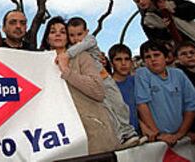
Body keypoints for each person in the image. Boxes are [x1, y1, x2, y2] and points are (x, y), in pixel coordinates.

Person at [41, 16, 119, 154]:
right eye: (53, 31)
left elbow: (98, 91)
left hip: (95, 138)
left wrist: (67, 71)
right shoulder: (39, 65)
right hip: (58, 141)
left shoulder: (82, 57)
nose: (58, 34)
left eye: (62, 32)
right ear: (47, 38)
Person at [65, 17, 141, 148]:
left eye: (79, 34)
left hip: (105, 79)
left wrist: (66, 55)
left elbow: (80, 47)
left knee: (119, 104)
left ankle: (129, 132)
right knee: (108, 110)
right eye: (71, 35)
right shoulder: (72, 49)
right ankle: (121, 136)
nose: (76, 38)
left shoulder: (89, 40)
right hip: (94, 84)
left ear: (86, 32)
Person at [135, 40, 195, 146]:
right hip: (157, 140)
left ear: (166, 57)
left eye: (156, 55)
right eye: (148, 57)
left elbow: (192, 105)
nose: (153, 59)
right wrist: (158, 134)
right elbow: (142, 105)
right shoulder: (142, 74)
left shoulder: (178, 74)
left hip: (181, 137)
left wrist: (181, 133)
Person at [132, 0, 195, 65]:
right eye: (137, 1)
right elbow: (156, 41)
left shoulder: (168, 1)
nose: (141, 2)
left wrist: (173, 9)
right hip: (182, 50)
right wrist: (165, 30)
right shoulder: (146, 21)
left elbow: (192, 10)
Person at [175, 41, 195, 142]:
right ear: (177, 59)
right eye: (184, 54)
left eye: (192, 52)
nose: (189, 56)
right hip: (194, 125)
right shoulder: (176, 78)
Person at [109, 44, 140, 135]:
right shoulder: (107, 86)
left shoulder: (136, 81)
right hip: (120, 136)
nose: (123, 63)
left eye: (127, 59)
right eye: (118, 59)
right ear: (111, 63)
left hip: (140, 133)